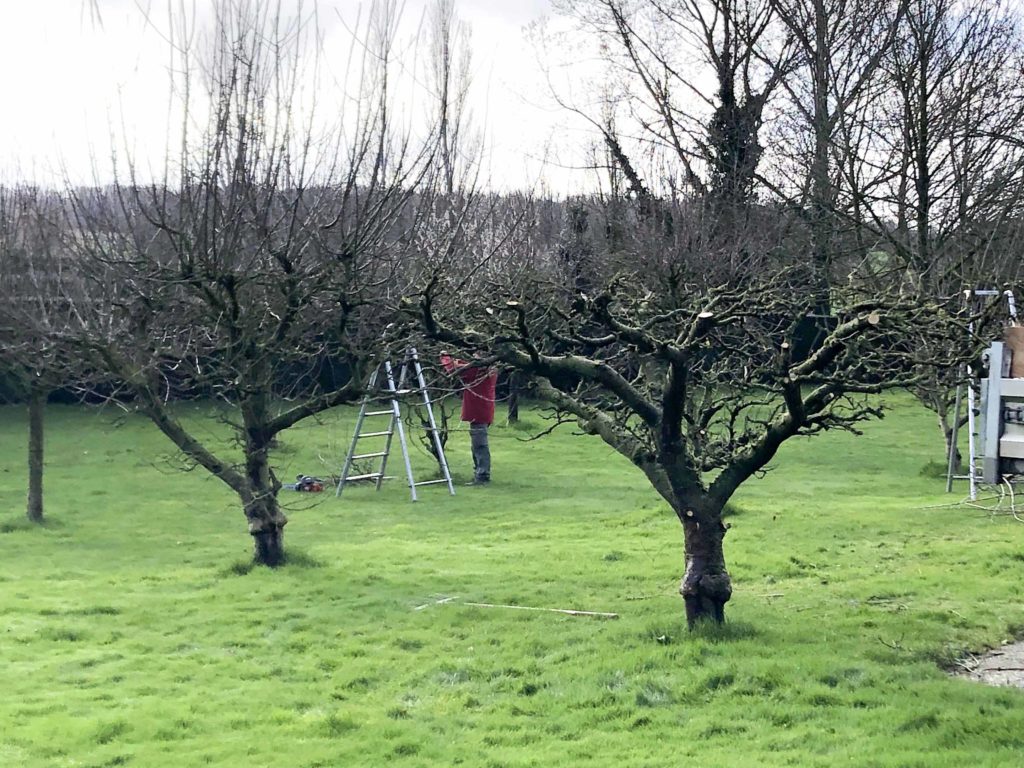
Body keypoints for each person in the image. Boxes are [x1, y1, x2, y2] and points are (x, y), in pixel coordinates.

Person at [440, 351, 497, 485]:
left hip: (479, 412)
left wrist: (445, 356)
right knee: (477, 444)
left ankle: (482, 475)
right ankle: (479, 473)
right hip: (483, 411)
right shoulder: (487, 367)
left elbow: (454, 369)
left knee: (479, 445)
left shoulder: (479, 369)